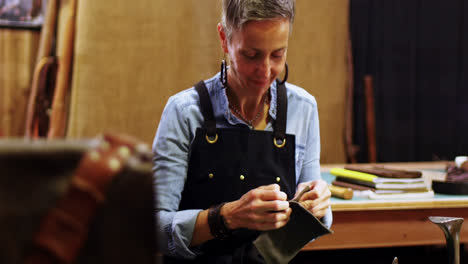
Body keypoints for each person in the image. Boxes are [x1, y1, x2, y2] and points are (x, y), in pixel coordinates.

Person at [152, 0, 332, 262]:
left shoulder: (302, 109)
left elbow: (308, 225)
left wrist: (317, 206)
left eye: (278, 55)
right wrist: (227, 217)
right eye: (251, 55)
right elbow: (154, 229)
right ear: (224, 39)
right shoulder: (183, 112)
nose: (266, 70)